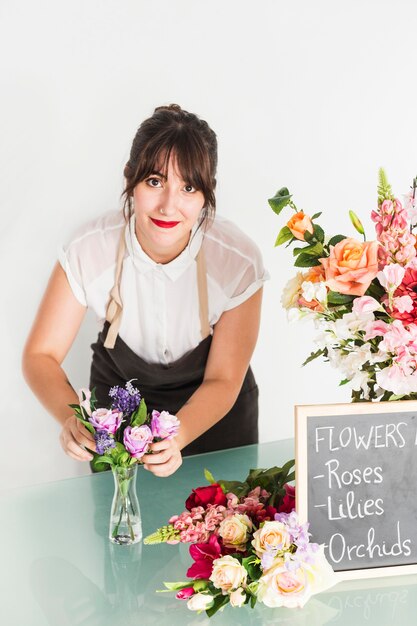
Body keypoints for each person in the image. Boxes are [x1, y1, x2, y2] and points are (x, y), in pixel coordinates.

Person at [22, 104, 268, 478]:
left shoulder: (237, 260)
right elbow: (40, 355)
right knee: (121, 530)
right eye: (154, 182)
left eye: (188, 187)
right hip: (119, 404)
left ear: (207, 193)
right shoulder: (89, 248)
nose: (169, 205)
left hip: (216, 412)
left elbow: (224, 378)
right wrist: (72, 419)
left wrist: (177, 435)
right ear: (130, 180)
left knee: (226, 531)